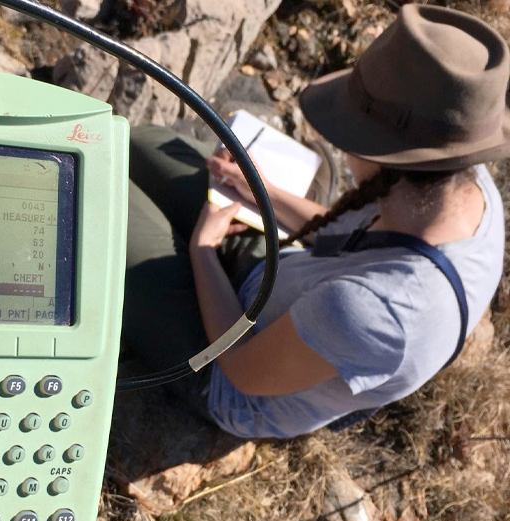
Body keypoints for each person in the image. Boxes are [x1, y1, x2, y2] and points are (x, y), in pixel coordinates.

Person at [122, 3, 508, 439]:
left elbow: (242, 368)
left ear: (388, 156)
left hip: (227, 377)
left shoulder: (377, 310)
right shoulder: (461, 186)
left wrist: (203, 252)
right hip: (278, 283)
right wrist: (257, 190)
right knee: (139, 142)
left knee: (108, 200)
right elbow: (345, 233)